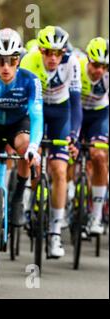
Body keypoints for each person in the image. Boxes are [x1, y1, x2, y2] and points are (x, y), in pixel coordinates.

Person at [20, 26, 82, 258]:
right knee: (32, 159)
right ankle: (27, 197)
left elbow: (76, 104)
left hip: (60, 112)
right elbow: (21, 99)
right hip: (35, 110)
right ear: (41, 50)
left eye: (58, 53)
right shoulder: (28, 60)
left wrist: (74, 134)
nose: (53, 58)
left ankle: (55, 232)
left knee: (59, 170)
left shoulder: (72, 63)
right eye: (48, 52)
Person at [0, 28, 43, 226]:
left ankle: (17, 197)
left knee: (27, 149)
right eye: (1, 61)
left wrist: (34, 146)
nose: (6, 67)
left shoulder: (30, 80)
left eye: (12, 61)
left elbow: (36, 115)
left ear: (19, 60)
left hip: (18, 123)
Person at [78, 37, 109, 235]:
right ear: (88, 60)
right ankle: (71, 197)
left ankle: (96, 215)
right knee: (69, 157)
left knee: (98, 156)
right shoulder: (77, 68)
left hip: (99, 115)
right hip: (77, 113)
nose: (99, 70)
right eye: (96, 64)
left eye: (105, 66)